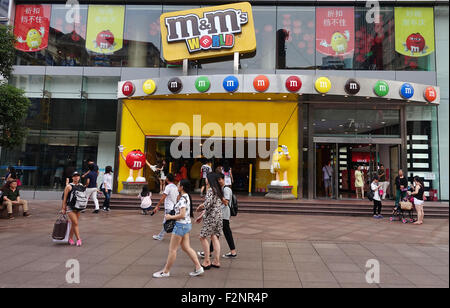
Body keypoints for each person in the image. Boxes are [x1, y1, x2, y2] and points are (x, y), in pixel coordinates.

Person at [153, 179, 204, 278]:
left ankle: (166, 271)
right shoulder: (186, 197)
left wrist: (170, 217)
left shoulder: (183, 199)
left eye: (179, 184)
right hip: (186, 225)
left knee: (172, 250)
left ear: (182, 187)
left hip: (180, 225)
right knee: (186, 247)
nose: (177, 185)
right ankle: (198, 268)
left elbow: (182, 214)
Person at [198, 173, 238, 259]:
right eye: (218, 180)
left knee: (222, 233)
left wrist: (218, 195)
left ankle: (211, 252)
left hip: (223, 214)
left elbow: (226, 202)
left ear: (223, 179)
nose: (219, 181)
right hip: (221, 214)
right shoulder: (221, 189)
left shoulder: (226, 189)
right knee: (217, 234)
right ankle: (212, 252)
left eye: (220, 179)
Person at [196, 173, 223, 269]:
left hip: (211, 217)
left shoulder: (211, 190)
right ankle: (216, 261)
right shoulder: (218, 189)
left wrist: (200, 206)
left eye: (206, 178)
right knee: (214, 237)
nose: (205, 179)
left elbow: (208, 204)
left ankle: (207, 260)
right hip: (218, 216)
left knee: (202, 237)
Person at [152, 173, 178, 241]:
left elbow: (163, 198)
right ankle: (162, 236)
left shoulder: (168, 187)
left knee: (166, 222)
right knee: (169, 222)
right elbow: (178, 197)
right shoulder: (175, 187)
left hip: (169, 207)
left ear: (167, 179)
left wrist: (157, 206)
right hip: (173, 206)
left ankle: (160, 236)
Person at [61, 172, 84, 246]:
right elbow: (64, 198)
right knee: (75, 223)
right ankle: (78, 239)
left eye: (77, 176)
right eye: (75, 176)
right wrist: (63, 208)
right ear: (72, 178)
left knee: (74, 224)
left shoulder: (81, 185)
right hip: (70, 207)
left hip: (78, 207)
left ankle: (70, 239)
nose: (76, 177)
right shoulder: (68, 186)